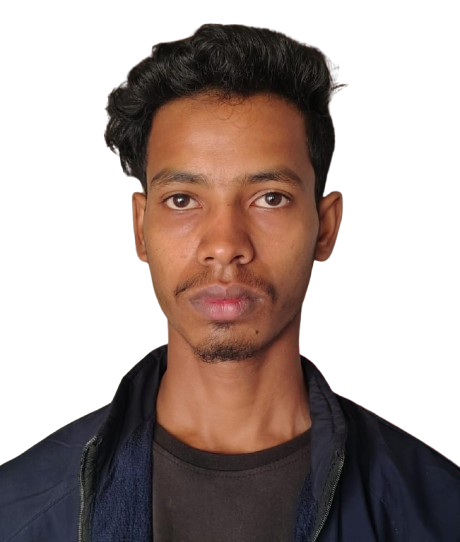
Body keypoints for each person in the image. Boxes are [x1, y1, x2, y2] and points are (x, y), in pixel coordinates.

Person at [1, 22, 458, 542]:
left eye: (270, 198)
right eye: (182, 200)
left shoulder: (436, 514)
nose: (224, 244)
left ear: (325, 227)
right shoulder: (20, 515)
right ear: (140, 228)